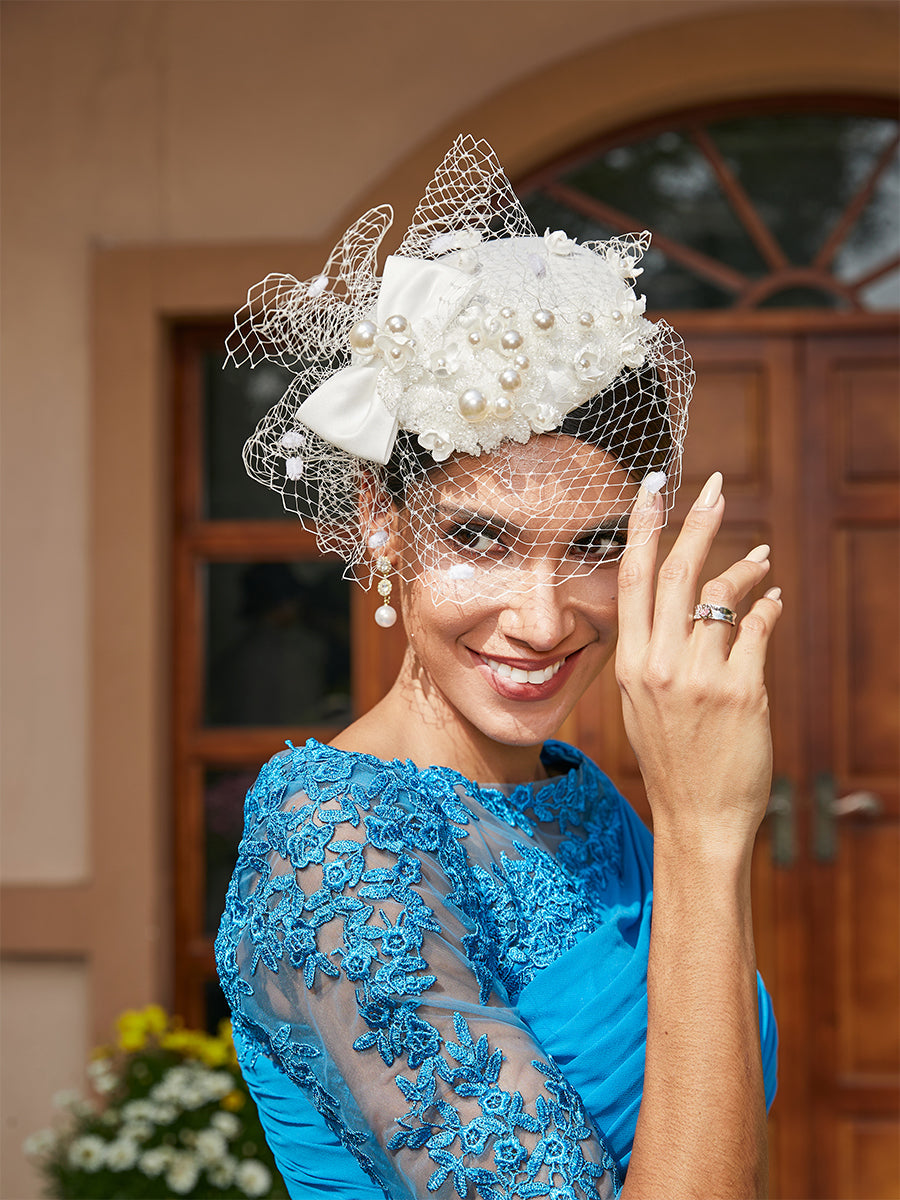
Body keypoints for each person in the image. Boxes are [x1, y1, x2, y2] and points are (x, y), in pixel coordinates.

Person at [216, 135, 780, 1199]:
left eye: (596, 548)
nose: (541, 619)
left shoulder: (583, 798)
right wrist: (706, 837)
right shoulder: (333, 842)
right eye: (480, 537)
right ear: (382, 522)